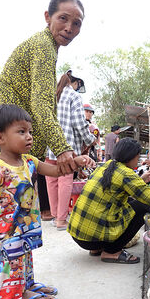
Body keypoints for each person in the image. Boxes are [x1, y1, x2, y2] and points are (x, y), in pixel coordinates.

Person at [0, 105, 91, 299]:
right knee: (10, 284)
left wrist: (76, 162)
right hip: (7, 239)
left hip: (22, 234)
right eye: (22, 131)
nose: (29, 137)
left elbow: (55, 171)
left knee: (23, 274)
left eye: (30, 131)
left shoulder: (29, 161)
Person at [0, 0, 86, 222]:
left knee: (20, 209)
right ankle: (4, 252)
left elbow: (40, 105)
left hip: (10, 133)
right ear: (48, 17)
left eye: (76, 23)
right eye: (63, 18)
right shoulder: (43, 45)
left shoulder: (48, 47)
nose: (69, 28)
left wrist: (71, 157)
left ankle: (18, 253)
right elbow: (41, 104)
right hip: (0, 130)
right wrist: (62, 149)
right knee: (9, 209)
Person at [68, 138, 150, 263]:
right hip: (92, 238)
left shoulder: (105, 166)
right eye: (137, 157)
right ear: (132, 157)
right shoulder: (126, 173)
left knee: (128, 203)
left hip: (78, 234)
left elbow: (117, 189)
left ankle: (97, 249)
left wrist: (140, 180)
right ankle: (112, 251)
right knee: (143, 207)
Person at [46, 72, 96, 230]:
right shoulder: (73, 96)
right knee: (64, 181)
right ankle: (61, 220)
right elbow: (79, 123)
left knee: (52, 181)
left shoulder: (54, 94)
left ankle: (55, 215)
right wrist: (89, 139)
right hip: (67, 147)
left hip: (51, 145)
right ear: (75, 83)